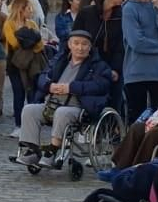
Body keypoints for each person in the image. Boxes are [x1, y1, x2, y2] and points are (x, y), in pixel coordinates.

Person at [16, 28, 113, 167]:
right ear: (69, 45)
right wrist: (49, 86)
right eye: (76, 43)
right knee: (29, 110)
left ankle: (52, 151)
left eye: (84, 44)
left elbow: (101, 85)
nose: (80, 47)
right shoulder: (59, 61)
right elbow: (42, 76)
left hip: (78, 107)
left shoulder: (98, 66)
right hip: (52, 104)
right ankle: (32, 150)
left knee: (62, 112)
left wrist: (72, 87)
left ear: (90, 47)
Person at [74, 0, 126, 117]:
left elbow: (121, 45)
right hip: (89, 63)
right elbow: (75, 36)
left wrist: (115, 69)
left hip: (112, 64)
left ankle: (113, 129)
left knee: (114, 99)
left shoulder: (121, 16)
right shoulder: (87, 13)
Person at [2, 0, 48, 131]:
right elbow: (14, 43)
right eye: (28, 8)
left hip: (31, 63)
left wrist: (27, 39)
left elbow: (40, 45)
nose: (31, 11)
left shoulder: (32, 23)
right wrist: (30, 38)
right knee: (18, 93)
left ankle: (32, 123)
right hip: (15, 63)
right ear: (20, 9)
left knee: (32, 92)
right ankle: (18, 125)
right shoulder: (9, 24)